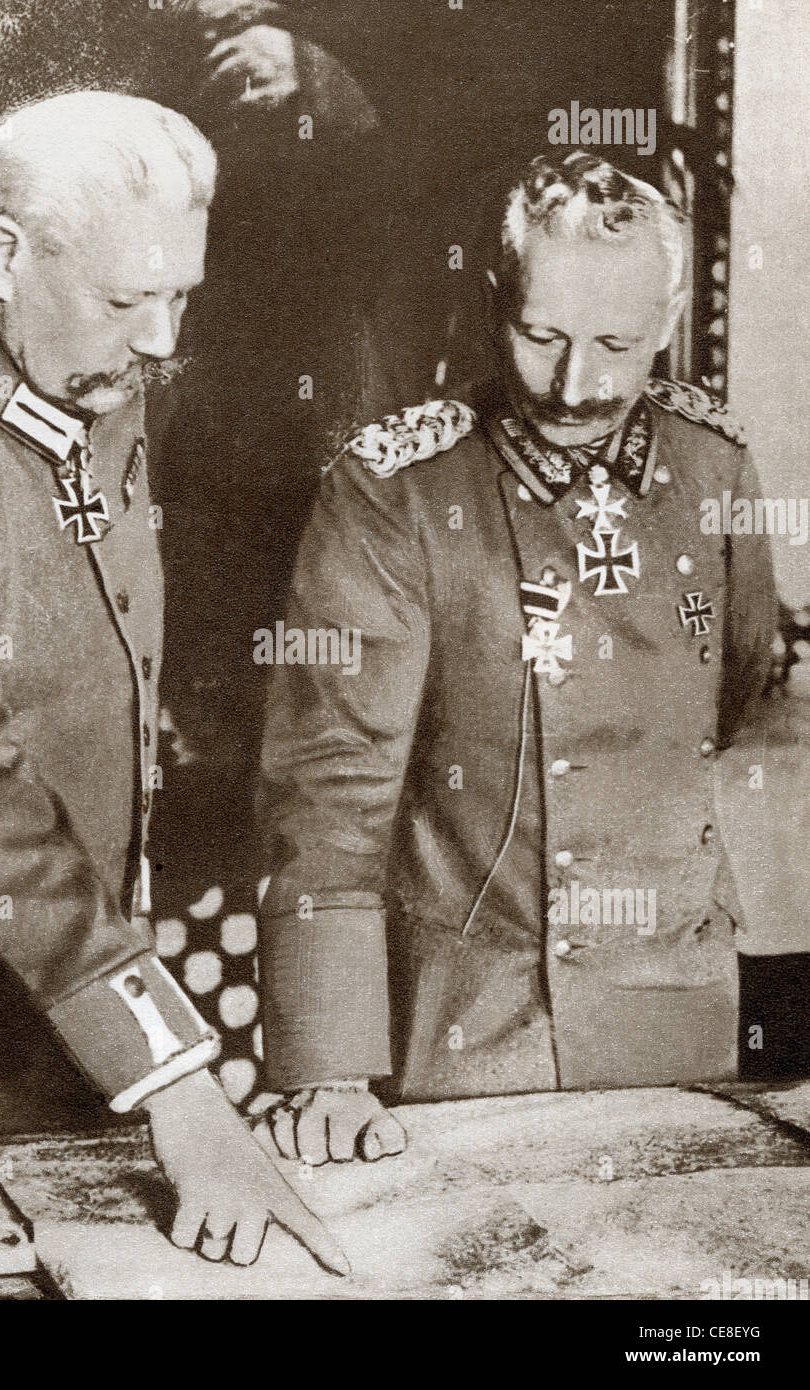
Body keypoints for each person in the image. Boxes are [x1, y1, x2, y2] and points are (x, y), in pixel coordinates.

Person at [0, 91, 346, 1272]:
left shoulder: (80, 358)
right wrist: (180, 1083)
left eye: (178, 296)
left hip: (62, 1035)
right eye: (125, 301)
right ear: (5, 256)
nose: (160, 341)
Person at [255, 152, 778, 1165]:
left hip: (678, 1004)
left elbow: (739, 684)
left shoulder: (715, 462)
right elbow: (330, 779)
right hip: (471, 1019)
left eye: (616, 344)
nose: (577, 386)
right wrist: (328, 1062)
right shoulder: (396, 487)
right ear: (490, 300)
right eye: (540, 337)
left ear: (668, 321)